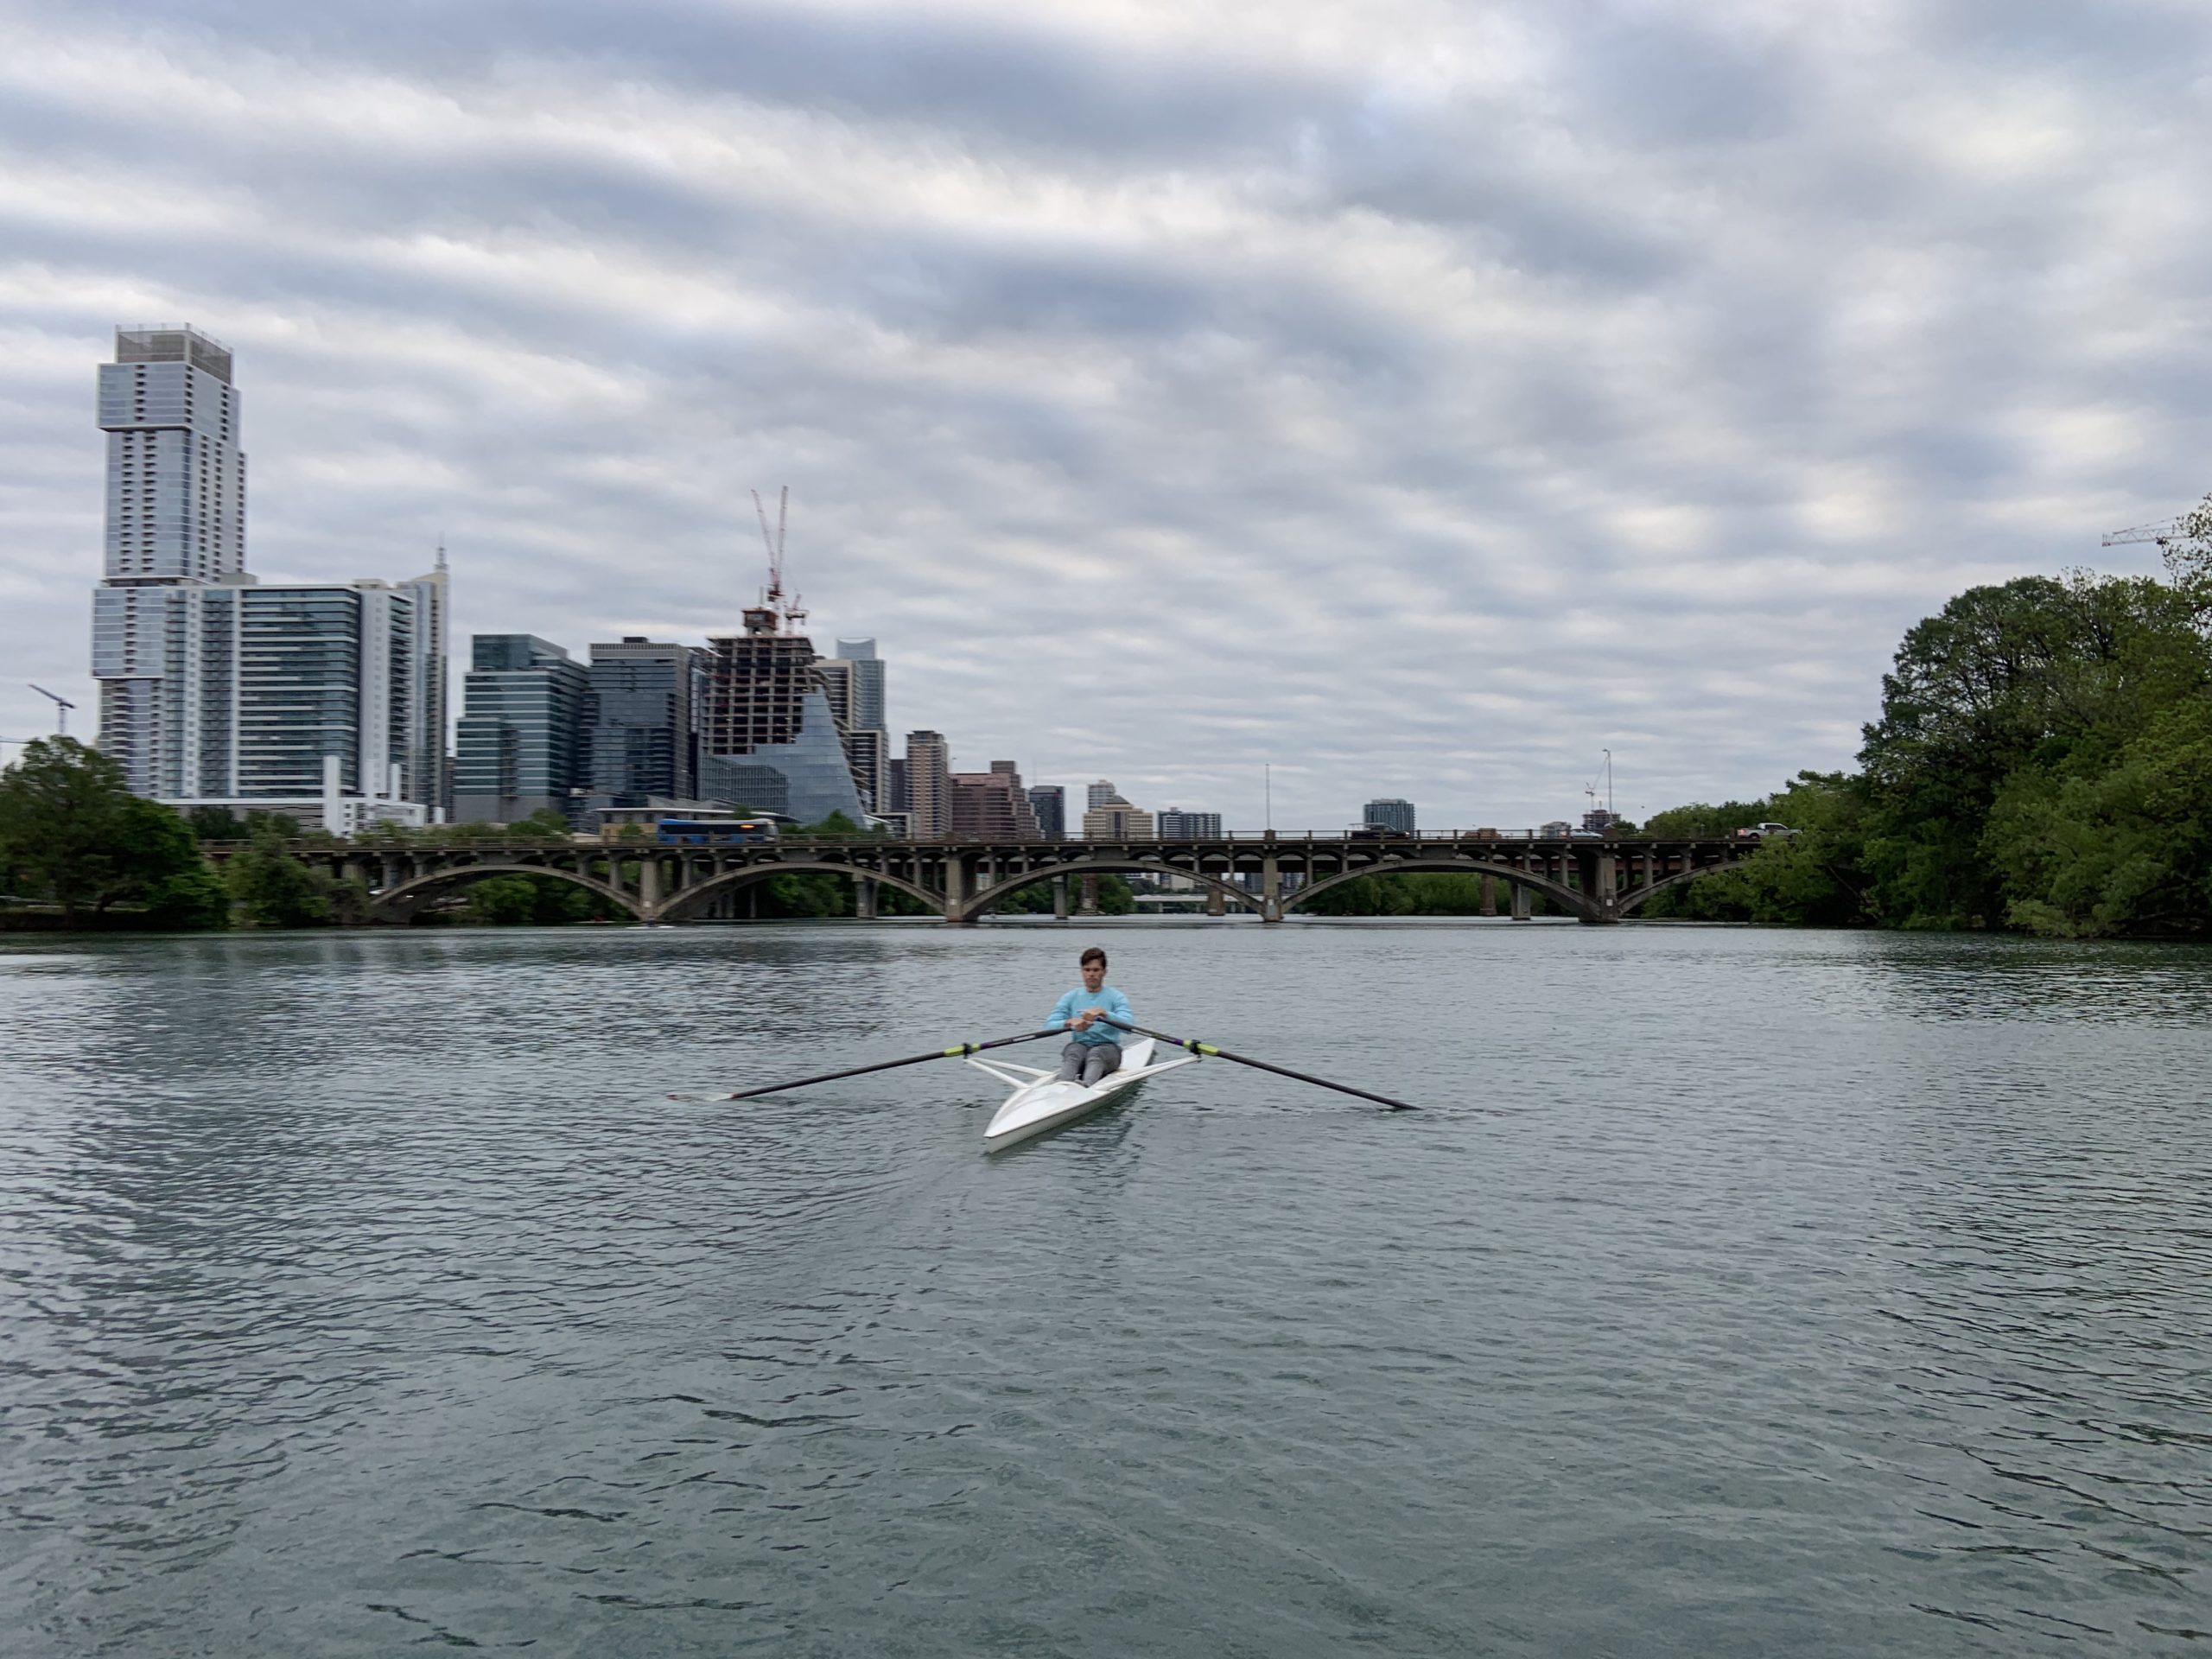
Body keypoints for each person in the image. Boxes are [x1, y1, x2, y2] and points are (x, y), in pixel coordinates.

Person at [1045, 945, 1132, 1086]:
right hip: (1081, 1049)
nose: (1091, 974)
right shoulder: (1070, 997)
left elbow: (1129, 1027)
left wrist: (1105, 1014)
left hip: (1109, 1051)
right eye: (1087, 970)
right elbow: (1048, 1026)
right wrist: (1069, 1023)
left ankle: (1087, 1086)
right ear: (1082, 972)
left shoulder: (1116, 997)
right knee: (1073, 1050)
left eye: (1096, 970)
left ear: (1104, 972)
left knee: (1096, 1053)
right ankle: (1062, 1085)